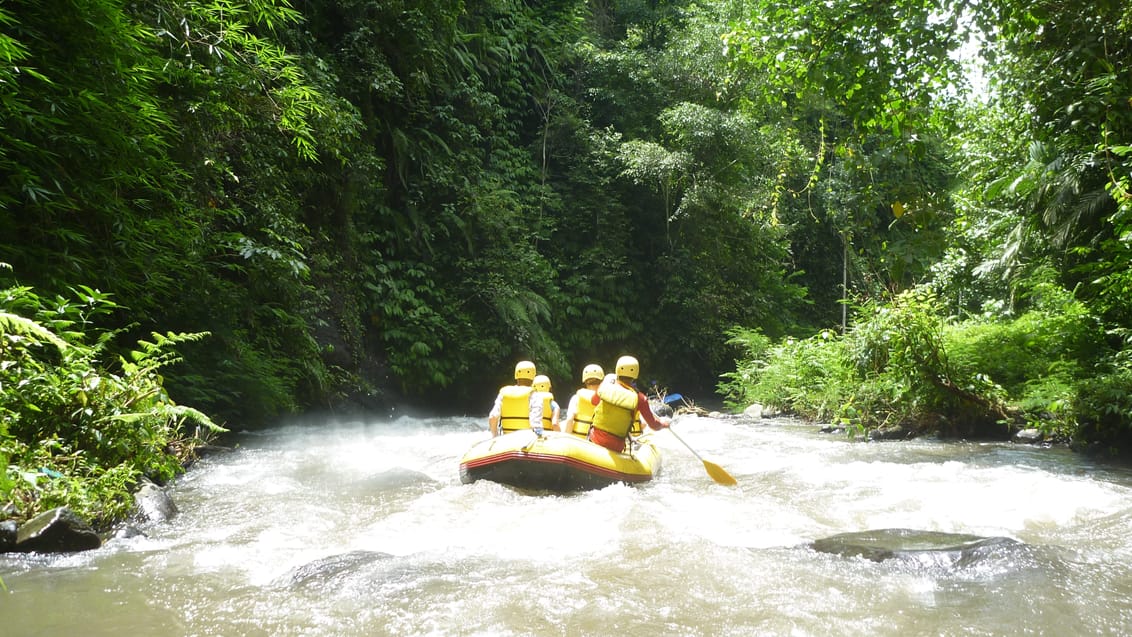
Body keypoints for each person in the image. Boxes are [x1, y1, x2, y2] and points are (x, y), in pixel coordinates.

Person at [588, 355, 670, 452]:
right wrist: (664, 424)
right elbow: (653, 426)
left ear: (617, 369)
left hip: (595, 439)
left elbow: (594, 401)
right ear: (635, 374)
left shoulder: (605, 385)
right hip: (616, 446)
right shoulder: (641, 399)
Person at [487, 360, 543, 436]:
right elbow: (535, 424)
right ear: (533, 376)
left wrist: (495, 436)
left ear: (516, 375)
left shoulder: (503, 394)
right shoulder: (534, 395)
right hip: (527, 441)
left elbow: (492, 417)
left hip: (507, 440)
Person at [563, 363, 603, 437]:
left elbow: (569, 420)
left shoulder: (576, 398)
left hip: (579, 443)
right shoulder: (604, 400)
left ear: (585, 381)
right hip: (596, 445)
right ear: (601, 381)